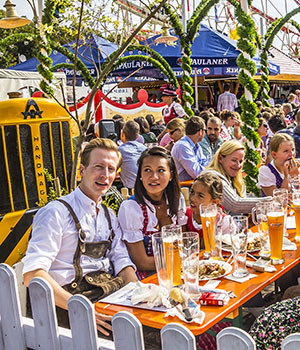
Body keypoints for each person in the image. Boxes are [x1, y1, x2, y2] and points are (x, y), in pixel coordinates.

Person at [22, 138, 137, 335]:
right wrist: (82, 310)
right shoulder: (56, 212)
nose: (105, 175)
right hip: (66, 307)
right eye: (99, 167)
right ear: (82, 171)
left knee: (163, 328)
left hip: (106, 297)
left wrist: (141, 294)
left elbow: (121, 261)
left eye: (111, 169)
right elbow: (32, 274)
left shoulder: (109, 215)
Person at [118, 146, 187, 278]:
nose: (154, 177)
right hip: (145, 279)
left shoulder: (177, 201)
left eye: (161, 170)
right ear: (140, 176)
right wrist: (177, 262)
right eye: (147, 170)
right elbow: (141, 262)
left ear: (171, 175)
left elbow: (181, 244)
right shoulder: (131, 208)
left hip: (176, 272)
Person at [204, 140, 270, 214]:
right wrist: (270, 201)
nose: (238, 165)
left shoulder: (232, 177)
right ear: (220, 158)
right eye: (234, 160)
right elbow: (235, 204)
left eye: (241, 161)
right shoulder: (212, 177)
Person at [171, 116, 208, 181]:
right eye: (205, 130)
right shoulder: (182, 146)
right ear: (200, 132)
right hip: (183, 187)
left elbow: (205, 162)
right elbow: (196, 173)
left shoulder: (196, 146)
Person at [118, 120, 147, 189]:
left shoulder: (119, 151)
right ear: (137, 136)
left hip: (131, 189)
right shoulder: (145, 149)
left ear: (122, 134)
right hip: (146, 187)